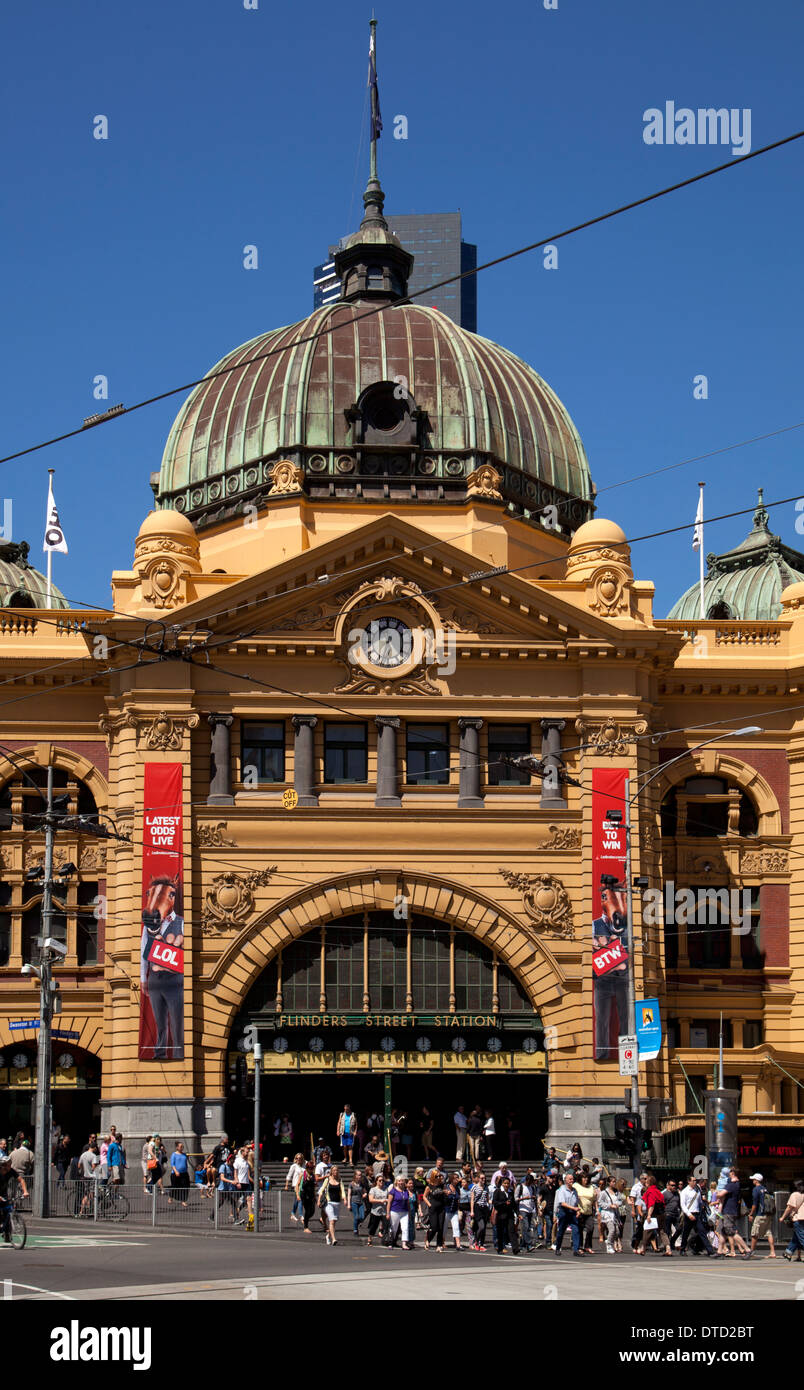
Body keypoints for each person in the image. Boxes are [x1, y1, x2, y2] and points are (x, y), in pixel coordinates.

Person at [679, 1175, 718, 1257]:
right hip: (689, 1214)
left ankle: (710, 1251)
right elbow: (683, 1205)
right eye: (693, 1180)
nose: (694, 1182)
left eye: (695, 1180)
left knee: (702, 1232)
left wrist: (703, 1206)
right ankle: (682, 1249)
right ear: (689, 1181)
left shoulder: (697, 1190)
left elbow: (700, 1201)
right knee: (686, 1233)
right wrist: (689, 1214)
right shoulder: (685, 1191)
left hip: (697, 1214)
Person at [716, 1168, 750, 1257]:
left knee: (731, 1231)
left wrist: (717, 1192)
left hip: (728, 1211)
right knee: (723, 1231)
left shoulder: (731, 1185)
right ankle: (719, 1251)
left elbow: (720, 1194)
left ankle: (747, 1249)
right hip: (727, 1211)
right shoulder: (735, 1184)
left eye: (730, 1173)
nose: (728, 1175)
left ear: (733, 1173)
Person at [639, 1174, 671, 1255]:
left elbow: (651, 1204)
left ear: (649, 1183)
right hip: (661, 1214)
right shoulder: (658, 1191)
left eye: (646, 1182)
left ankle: (643, 1248)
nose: (645, 1183)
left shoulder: (650, 1192)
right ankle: (668, 1248)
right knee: (662, 1231)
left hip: (654, 1214)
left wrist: (649, 1215)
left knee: (647, 1231)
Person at [746, 1173, 776, 1258]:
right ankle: (772, 1252)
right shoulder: (765, 1189)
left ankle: (751, 1251)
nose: (752, 1180)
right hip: (768, 1213)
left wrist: (751, 1213)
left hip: (760, 1214)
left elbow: (754, 1204)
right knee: (768, 1232)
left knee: (754, 1233)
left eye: (753, 1179)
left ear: (756, 1180)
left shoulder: (756, 1189)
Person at [319, 1163, 346, 1246]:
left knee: (334, 1221)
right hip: (329, 1202)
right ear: (331, 1171)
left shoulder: (339, 1180)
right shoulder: (327, 1179)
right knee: (332, 1220)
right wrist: (319, 1200)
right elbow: (321, 1190)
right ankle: (334, 1239)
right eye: (334, 1170)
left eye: (337, 1170)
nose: (335, 1171)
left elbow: (342, 1190)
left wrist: (344, 1199)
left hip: (337, 1202)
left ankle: (328, 1236)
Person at [492, 1175, 519, 1255]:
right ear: (502, 1184)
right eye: (505, 1183)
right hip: (501, 1214)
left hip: (509, 1214)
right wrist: (504, 1203)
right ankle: (500, 1248)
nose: (507, 1185)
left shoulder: (510, 1192)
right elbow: (495, 1203)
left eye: (508, 1183)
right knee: (500, 1232)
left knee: (512, 1231)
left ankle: (515, 1248)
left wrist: (518, 1213)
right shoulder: (498, 1191)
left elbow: (514, 1204)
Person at [554, 1174, 581, 1255]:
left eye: (572, 1179)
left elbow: (576, 1203)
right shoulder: (561, 1190)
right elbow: (562, 1203)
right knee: (561, 1231)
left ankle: (576, 1250)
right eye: (570, 1179)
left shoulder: (575, 1190)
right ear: (565, 1180)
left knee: (576, 1230)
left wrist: (577, 1210)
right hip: (564, 1211)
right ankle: (558, 1248)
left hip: (572, 1212)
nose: (571, 1181)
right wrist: (574, 1208)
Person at [386, 1175, 412, 1249]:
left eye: (402, 1181)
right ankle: (391, 1242)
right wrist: (388, 1213)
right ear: (396, 1182)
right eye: (399, 1181)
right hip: (395, 1211)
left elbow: (408, 1203)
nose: (401, 1182)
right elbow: (389, 1203)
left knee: (405, 1227)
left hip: (404, 1212)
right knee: (393, 1227)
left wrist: (409, 1213)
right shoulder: (393, 1191)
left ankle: (404, 1244)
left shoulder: (406, 1191)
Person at [424, 1172, 447, 1252]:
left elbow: (445, 1192)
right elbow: (424, 1196)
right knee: (434, 1227)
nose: (438, 1177)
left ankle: (439, 1245)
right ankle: (428, 1239)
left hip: (441, 1207)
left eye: (439, 1176)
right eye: (436, 1176)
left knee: (441, 1227)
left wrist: (446, 1192)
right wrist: (429, 1204)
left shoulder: (442, 1185)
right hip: (433, 1208)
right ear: (433, 1177)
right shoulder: (429, 1186)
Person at [782, 1179, 804, 1262]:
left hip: (798, 1218)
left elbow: (789, 1207)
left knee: (801, 1237)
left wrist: (783, 1217)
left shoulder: (794, 1194)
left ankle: (788, 1253)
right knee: (796, 1237)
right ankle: (788, 1253)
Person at [598, 1176, 621, 1253]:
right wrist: (609, 1205)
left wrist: (617, 1204)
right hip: (607, 1213)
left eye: (615, 1181)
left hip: (615, 1213)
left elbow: (619, 1201)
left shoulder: (616, 1192)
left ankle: (608, 1240)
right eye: (613, 1181)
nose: (614, 1183)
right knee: (612, 1229)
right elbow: (600, 1203)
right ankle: (609, 1245)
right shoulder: (604, 1193)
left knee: (617, 1232)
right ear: (609, 1183)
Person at [515, 1172, 537, 1251]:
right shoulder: (520, 1187)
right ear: (526, 1180)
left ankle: (522, 1245)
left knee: (525, 1228)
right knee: (526, 1226)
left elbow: (534, 1197)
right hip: (522, 1208)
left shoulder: (532, 1187)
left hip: (530, 1208)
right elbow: (516, 1198)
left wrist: (533, 1198)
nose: (530, 1184)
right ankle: (529, 1243)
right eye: (529, 1182)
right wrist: (524, 1198)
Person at [78, 1142, 101, 1216]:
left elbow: (79, 1165)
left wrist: (84, 1170)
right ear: (94, 1148)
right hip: (91, 1177)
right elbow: (94, 1166)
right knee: (93, 1194)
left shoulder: (83, 1154)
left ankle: (82, 1211)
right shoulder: (94, 1156)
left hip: (85, 1176)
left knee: (86, 1194)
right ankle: (94, 1210)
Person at [366, 1172, 389, 1246]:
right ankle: (370, 1239)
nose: (381, 1182)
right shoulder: (373, 1190)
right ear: (376, 1181)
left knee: (386, 1226)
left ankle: (385, 1240)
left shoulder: (386, 1189)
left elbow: (389, 1198)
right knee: (373, 1226)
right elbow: (371, 1199)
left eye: (382, 1180)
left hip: (384, 1211)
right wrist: (380, 1201)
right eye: (380, 1180)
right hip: (375, 1211)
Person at [470, 1170, 491, 1250]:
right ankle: (476, 1240)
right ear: (478, 1179)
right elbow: (472, 1200)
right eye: (482, 1178)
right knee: (481, 1226)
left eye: (484, 1178)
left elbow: (487, 1199)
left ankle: (481, 1244)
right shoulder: (474, 1187)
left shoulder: (486, 1187)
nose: (483, 1180)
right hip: (477, 1207)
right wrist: (472, 1211)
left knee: (484, 1227)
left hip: (484, 1207)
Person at [296, 1159, 317, 1234]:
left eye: (312, 1168)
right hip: (304, 1194)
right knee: (308, 1210)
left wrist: (315, 1196)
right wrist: (297, 1195)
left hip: (311, 1194)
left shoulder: (313, 1176)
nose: (311, 1170)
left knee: (312, 1211)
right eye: (310, 1168)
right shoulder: (303, 1174)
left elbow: (314, 1187)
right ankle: (306, 1227)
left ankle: (305, 1219)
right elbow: (297, 1185)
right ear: (307, 1168)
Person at [348, 1167, 369, 1237]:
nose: (360, 1176)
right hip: (354, 1201)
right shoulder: (351, 1184)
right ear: (355, 1176)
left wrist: (365, 1194)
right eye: (359, 1175)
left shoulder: (361, 1184)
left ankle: (356, 1224)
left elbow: (365, 1191)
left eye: (361, 1175)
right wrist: (348, 1204)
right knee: (356, 1217)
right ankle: (355, 1229)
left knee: (362, 1217)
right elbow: (349, 1194)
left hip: (361, 1202)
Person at [662, 1179, 683, 1248]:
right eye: (672, 1185)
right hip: (667, 1214)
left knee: (679, 1229)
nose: (674, 1186)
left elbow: (679, 1203)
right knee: (667, 1231)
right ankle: (667, 1246)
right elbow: (661, 1204)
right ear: (668, 1186)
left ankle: (672, 1241)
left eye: (675, 1185)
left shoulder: (677, 1193)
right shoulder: (664, 1194)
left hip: (676, 1214)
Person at [286, 1152, 306, 1223]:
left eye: (300, 1158)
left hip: (303, 1184)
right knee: (300, 1199)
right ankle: (301, 1215)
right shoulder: (294, 1166)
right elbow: (289, 1175)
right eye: (297, 1158)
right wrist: (287, 1185)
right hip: (296, 1185)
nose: (298, 1159)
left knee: (296, 1201)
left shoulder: (304, 1165)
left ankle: (292, 1213)